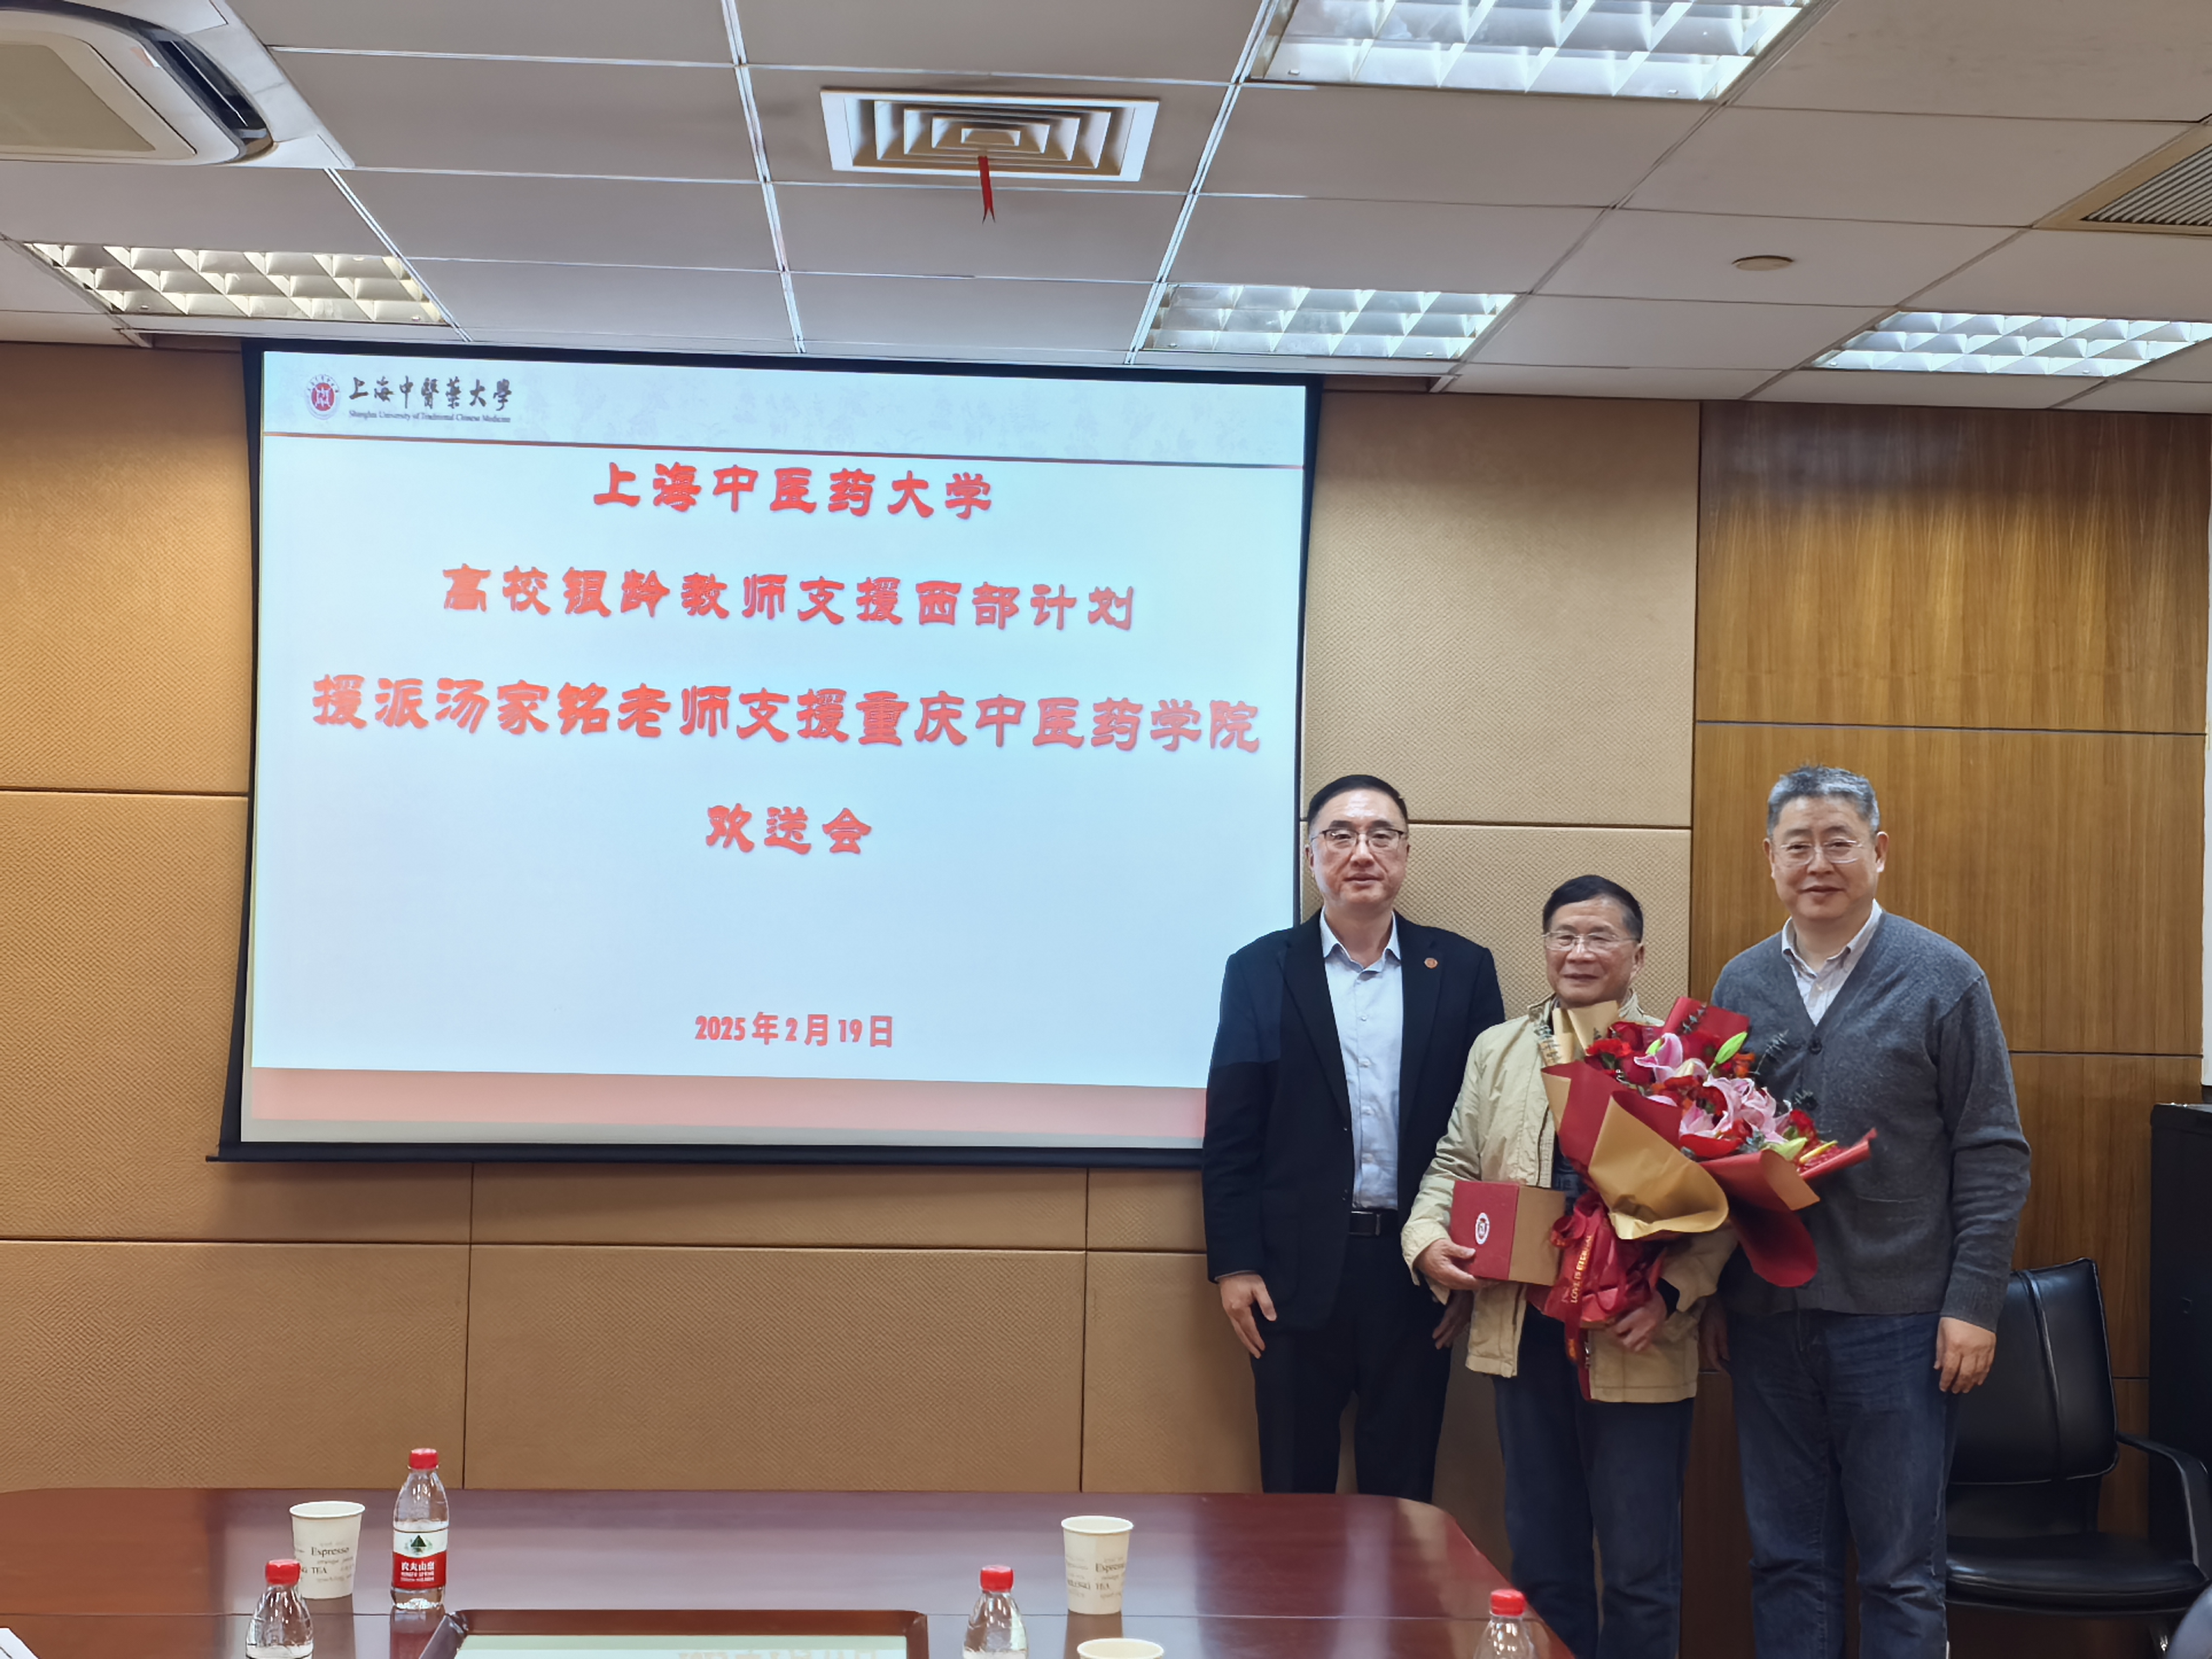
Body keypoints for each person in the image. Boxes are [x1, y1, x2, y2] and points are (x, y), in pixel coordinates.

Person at [1706, 765, 2031, 1659]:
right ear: (1770, 858)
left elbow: (1993, 1150)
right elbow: (1715, 1151)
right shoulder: (1740, 983)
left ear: (1878, 853)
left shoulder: (1944, 978)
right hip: (1768, 1319)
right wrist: (1719, 1292)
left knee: (1900, 1571)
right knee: (1785, 1562)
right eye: (1798, 845)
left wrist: (1973, 1304)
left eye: (1839, 842)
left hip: (1901, 1322)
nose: (1819, 863)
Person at [1402, 874, 1733, 1659]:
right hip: (1524, 1335)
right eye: (1564, 936)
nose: (1579, 952)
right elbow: (1453, 1162)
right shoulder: (1500, 1049)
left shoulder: (1680, 1058)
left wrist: (1672, 1295)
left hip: (1635, 1335)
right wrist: (1425, 1240)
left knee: (1641, 1572)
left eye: (1600, 937)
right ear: (1545, 948)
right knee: (1544, 1565)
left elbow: (1727, 1200)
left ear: (1638, 955)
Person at [1202, 773, 1505, 1499]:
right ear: (1311, 855)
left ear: (1406, 852)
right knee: (1293, 1493)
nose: (1361, 852)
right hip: (1289, 1275)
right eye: (1340, 835)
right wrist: (1235, 1264)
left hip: (1416, 1269)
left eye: (1381, 835)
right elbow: (1233, 1131)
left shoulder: (1463, 969)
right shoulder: (1259, 969)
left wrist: (1474, 1264)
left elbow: (1486, 1133)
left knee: (1402, 1497)